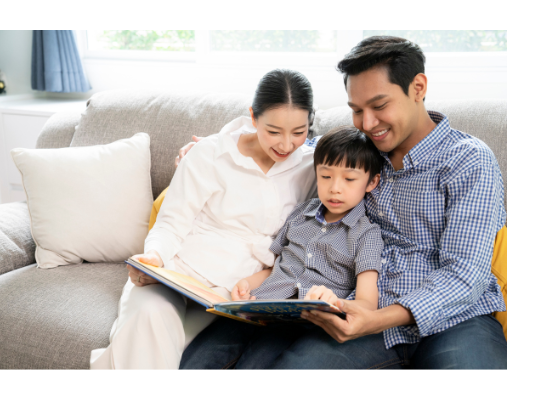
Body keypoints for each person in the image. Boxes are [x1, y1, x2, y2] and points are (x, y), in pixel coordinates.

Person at [179, 36, 507, 370]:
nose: (367, 124)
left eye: (379, 106)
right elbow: (289, 140)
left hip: (456, 321)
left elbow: (465, 274)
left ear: (418, 87)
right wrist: (212, 152)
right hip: (360, 321)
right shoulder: (357, 151)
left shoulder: (469, 160)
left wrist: (377, 318)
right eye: (356, 110)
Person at [90, 69, 317, 370]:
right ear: (252, 116)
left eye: (298, 132)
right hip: (181, 270)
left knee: (176, 347)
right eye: (273, 131)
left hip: (235, 292)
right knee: (149, 316)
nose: (287, 145)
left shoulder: (315, 166)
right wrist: (154, 257)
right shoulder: (211, 153)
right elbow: (172, 222)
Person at [231, 126, 383, 316]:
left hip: (312, 321)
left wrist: (335, 302)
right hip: (263, 305)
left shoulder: (367, 234)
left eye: (349, 179)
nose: (335, 188)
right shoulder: (301, 213)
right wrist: (246, 283)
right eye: (326, 176)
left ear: (371, 182)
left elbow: (367, 304)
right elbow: (276, 268)